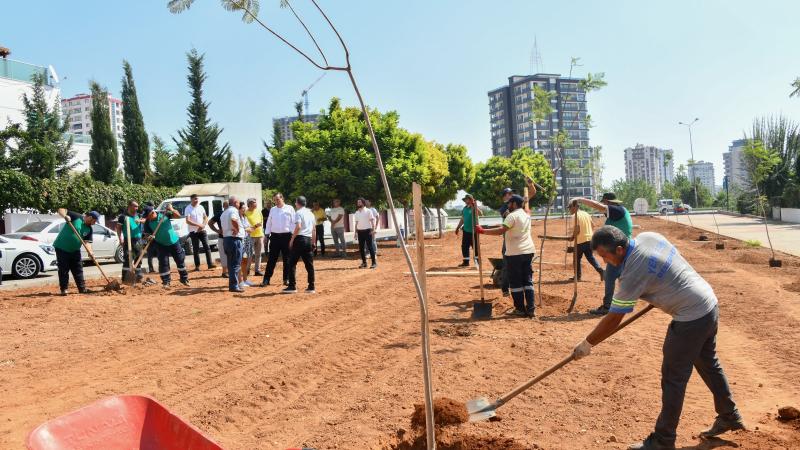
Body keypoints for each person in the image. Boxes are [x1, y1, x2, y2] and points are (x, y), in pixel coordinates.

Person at [572, 226, 744, 450]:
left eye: (605, 256)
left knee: (673, 377)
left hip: (691, 317)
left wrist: (587, 343)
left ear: (620, 250)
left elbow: (614, 318)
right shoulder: (648, 237)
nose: (605, 262)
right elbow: (669, 262)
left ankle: (663, 440)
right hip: (707, 303)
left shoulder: (632, 272)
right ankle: (730, 416)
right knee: (708, 363)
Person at [476, 192, 537, 317]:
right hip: (528, 251)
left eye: (509, 203)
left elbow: (501, 230)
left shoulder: (512, 216)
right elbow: (506, 227)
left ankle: (520, 309)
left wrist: (483, 231)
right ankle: (531, 308)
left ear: (514, 204)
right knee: (527, 281)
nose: (508, 205)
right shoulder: (526, 215)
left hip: (515, 253)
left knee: (515, 283)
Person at [573, 192, 634, 315]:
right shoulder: (618, 213)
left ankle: (607, 306)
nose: (602, 206)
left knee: (610, 277)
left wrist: (580, 199)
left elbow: (598, 206)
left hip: (618, 251)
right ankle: (621, 305)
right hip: (622, 249)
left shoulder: (617, 210)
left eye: (604, 203)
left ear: (607, 202)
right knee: (620, 277)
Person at [53, 209, 99, 295]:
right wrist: (65, 216)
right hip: (62, 247)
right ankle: (64, 289)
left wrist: (91, 253)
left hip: (75, 250)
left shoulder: (89, 229)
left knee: (78, 269)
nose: (95, 223)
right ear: (90, 217)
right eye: (94, 221)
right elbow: (61, 210)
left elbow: (87, 242)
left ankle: (82, 288)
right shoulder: (77, 217)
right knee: (64, 269)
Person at [142, 204, 189, 287]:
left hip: (174, 242)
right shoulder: (147, 223)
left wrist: (171, 209)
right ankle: (166, 282)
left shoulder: (165, 214)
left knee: (180, 260)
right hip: (161, 244)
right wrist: (149, 237)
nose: (147, 218)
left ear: (152, 212)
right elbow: (146, 235)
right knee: (163, 263)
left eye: (148, 216)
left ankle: (184, 279)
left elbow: (177, 216)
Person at [261, 193, 295, 286]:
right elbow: (269, 223)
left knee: (287, 259)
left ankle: (286, 279)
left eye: (277, 199)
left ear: (282, 198)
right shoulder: (272, 209)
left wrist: (293, 236)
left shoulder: (290, 208)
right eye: (275, 200)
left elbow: (293, 223)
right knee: (271, 259)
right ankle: (266, 280)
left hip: (287, 236)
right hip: (275, 237)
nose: (276, 201)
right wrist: (266, 235)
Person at [285, 196, 316, 294]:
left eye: (295, 202)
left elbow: (298, 226)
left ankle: (292, 286)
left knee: (292, 263)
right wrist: (313, 242)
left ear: (297, 203)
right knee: (309, 265)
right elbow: (314, 229)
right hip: (308, 239)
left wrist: (292, 239)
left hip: (299, 239)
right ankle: (311, 286)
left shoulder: (298, 212)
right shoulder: (311, 213)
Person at [567, 199, 604, 282]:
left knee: (576, 259)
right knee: (590, 257)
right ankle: (601, 271)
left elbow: (577, 229)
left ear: (575, 207)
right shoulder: (586, 214)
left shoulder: (574, 216)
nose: (569, 210)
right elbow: (593, 225)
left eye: (570, 207)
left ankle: (577, 276)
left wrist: (572, 237)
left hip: (580, 240)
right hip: (590, 239)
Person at [115, 200, 144, 283]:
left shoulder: (138, 215)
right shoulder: (123, 217)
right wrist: (120, 238)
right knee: (128, 259)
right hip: (128, 240)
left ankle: (138, 276)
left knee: (139, 258)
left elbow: (145, 220)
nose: (136, 208)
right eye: (135, 206)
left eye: (137, 206)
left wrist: (140, 221)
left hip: (139, 240)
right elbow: (118, 228)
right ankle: (125, 278)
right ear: (129, 206)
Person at [220, 196, 245, 292]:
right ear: (235, 203)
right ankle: (234, 286)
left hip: (226, 239)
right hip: (234, 239)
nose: (239, 204)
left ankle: (233, 285)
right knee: (235, 263)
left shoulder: (224, 212)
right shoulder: (233, 211)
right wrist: (237, 229)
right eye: (238, 203)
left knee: (231, 264)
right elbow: (233, 219)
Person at [184, 194, 215, 271]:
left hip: (202, 230)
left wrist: (203, 225)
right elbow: (188, 221)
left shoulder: (201, 207)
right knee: (196, 249)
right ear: (191, 199)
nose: (196, 200)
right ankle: (197, 266)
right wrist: (199, 225)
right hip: (193, 232)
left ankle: (210, 264)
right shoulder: (188, 208)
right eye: (195, 199)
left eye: (197, 199)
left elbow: (205, 217)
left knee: (207, 247)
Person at [454, 194, 481, 266]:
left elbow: (481, 214)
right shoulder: (464, 208)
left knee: (475, 247)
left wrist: (475, 206)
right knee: (464, 246)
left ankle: (477, 263)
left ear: (471, 200)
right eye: (465, 200)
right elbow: (462, 219)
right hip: (466, 231)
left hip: (474, 231)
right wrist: (457, 227)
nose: (466, 201)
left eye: (467, 199)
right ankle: (466, 262)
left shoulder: (474, 208)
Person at [354, 197, 377, 269]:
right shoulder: (357, 212)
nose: (358, 203)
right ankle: (364, 263)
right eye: (358, 202)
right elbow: (356, 223)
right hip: (360, 232)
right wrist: (355, 233)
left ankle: (374, 263)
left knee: (370, 247)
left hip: (368, 231)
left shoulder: (368, 211)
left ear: (363, 203)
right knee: (361, 248)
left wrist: (373, 230)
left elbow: (372, 221)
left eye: (360, 202)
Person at [208, 201, 229, 278]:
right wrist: (217, 230)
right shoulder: (220, 214)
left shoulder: (230, 213)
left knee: (226, 255)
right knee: (224, 255)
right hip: (223, 237)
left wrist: (217, 230)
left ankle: (226, 272)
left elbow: (210, 223)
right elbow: (210, 222)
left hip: (227, 237)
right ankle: (225, 272)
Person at [244, 198, 264, 276]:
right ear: (249, 204)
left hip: (259, 235)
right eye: (254, 203)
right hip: (250, 236)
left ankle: (257, 270)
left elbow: (261, 220)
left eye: (256, 202)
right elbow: (245, 225)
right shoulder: (245, 213)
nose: (256, 204)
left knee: (258, 254)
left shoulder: (258, 211)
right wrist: (254, 226)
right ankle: (247, 270)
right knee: (249, 254)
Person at [238, 202, 255, 287]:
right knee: (240, 261)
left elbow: (249, 228)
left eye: (245, 208)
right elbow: (247, 229)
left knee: (245, 261)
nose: (244, 209)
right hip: (241, 242)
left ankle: (245, 280)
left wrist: (252, 228)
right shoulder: (238, 218)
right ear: (239, 209)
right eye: (243, 208)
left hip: (246, 242)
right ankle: (240, 281)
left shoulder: (245, 217)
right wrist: (249, 229)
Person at [142, 201, 157, 273]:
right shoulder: (150, 209)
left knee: (150, 253)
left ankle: (151, 269)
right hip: (150, 233)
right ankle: (152, 268)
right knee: (157, 251)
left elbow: (143, 220)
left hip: (149, 233)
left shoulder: (145, 210)